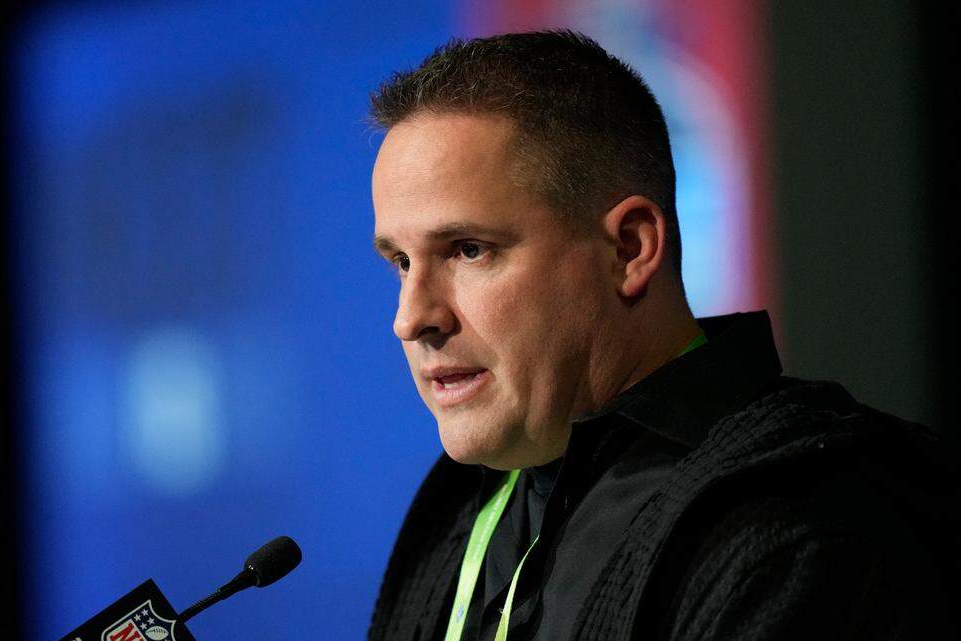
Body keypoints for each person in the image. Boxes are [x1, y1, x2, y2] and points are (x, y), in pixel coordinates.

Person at [365, 30, 957, 641]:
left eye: (468, 250)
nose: (411, 318)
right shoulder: (456, 509)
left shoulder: (801, 530)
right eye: (401, 262)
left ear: (629, 249)